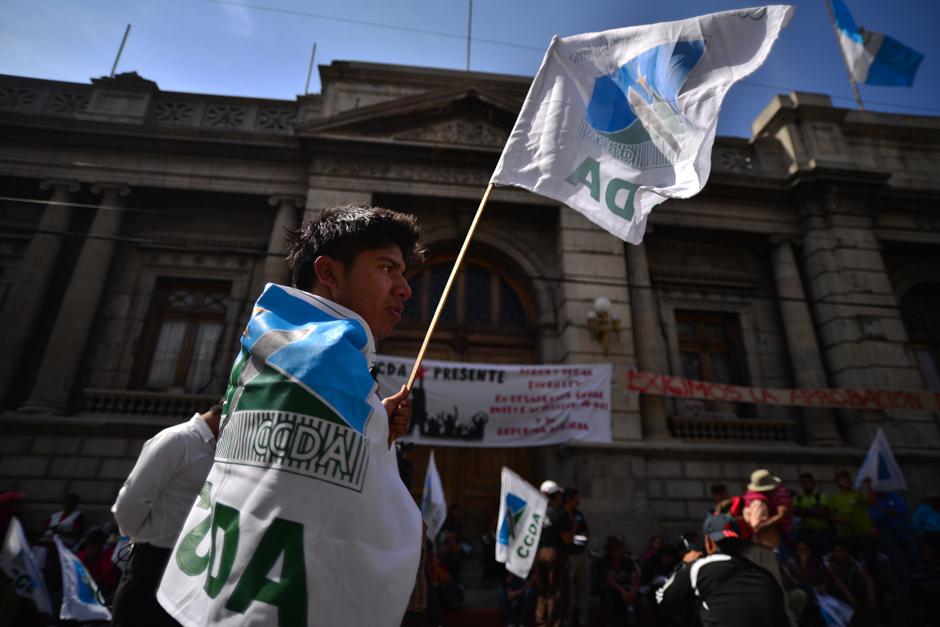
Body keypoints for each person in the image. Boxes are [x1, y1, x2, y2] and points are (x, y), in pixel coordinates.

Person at [156, 205, 426, 627]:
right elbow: (340, 520)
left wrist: (374, 424)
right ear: (329, 272)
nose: (405, 289)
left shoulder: (273, 341)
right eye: (388, 269)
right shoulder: (325, 359)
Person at [110, 404, 221, 627]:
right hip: (152, 566)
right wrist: (148, 541)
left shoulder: (217, 451)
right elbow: (129, 506)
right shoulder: (178, 439)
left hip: (187, 574)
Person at [656, 512, 789, 627]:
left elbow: (663, 600)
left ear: (708, 542)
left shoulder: (699, 568)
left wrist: (684, 564)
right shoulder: (765, 575)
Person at [535, 480, 572, 627]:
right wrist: (573, 525)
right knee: (556, 592)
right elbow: (567, 539)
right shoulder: (558, 514)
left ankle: (541, 622)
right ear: (556, 496)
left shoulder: (537, 513)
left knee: (542, 592)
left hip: (539, 554)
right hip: (554, 554)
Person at [829, 471, 875, 568]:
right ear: (838, 483)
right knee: (853, 563)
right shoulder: (836, 498)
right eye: (843, 479)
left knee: (871, 561)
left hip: (864, 533)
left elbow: (872, 502)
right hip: (848, 535)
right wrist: (841, 521)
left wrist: (869, 486)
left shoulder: (858, 494)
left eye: (847, 478)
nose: (846, 481)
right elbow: (831, 516)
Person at [598, 535, 638, 627]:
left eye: (617, 548)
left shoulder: (627, 561)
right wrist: (623, 592)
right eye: (612, 549)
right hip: (610, 588)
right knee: (610, 596)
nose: (615, 551)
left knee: (634, 598)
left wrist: (633, 591)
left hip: (626, 588)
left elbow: (633, 576)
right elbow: (609, 580)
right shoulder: (603, 561)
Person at [564, 487, 590, 627]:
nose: (579, 501)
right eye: (576, 498)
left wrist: (577, 538)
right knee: (569, 591)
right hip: (569, 556)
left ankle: (582, 621)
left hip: (582, 554)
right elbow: (565, 538)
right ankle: (567, 621)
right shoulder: (562, 514)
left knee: (583, 590)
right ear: (569, 499)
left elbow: (586, 533)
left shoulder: (578, 514)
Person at [76, 528, 119, 601]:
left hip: (106, 589)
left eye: (93, 548)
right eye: (88, 548)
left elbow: (107, 579)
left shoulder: (108, 556)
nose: (90, 551)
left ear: (100, 547)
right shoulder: (79, 558)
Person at [793, 473, 833, 550]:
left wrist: (804, 510)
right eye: (803, 482)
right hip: (807, 532)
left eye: (808, 482)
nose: (806, 484)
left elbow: (822, 512)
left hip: (823, 532)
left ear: (813, 483)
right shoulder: (798, 498)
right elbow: (795, 512)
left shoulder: (821, 496)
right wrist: (814, 509)